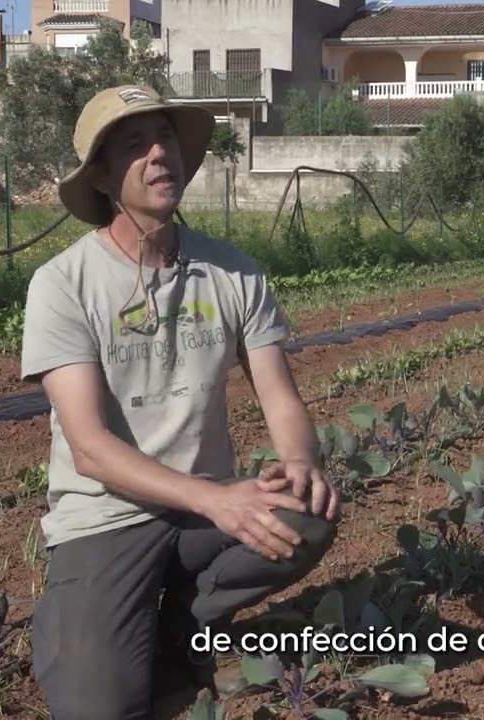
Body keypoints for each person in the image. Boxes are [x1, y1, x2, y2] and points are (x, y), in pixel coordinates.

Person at [19, 84, 341, 719]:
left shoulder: (232, 271)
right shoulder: (63, 284)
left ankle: (182, 629)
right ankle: (80, 614)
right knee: (100, 709)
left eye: (165, 137)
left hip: (198, 519)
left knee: (307, 510)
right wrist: (216, 499)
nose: (159, 153)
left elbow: (279, 395)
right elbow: (90, 450)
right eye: (135, 145)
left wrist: (301, 461)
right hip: (107, 517)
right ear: (105, 177)